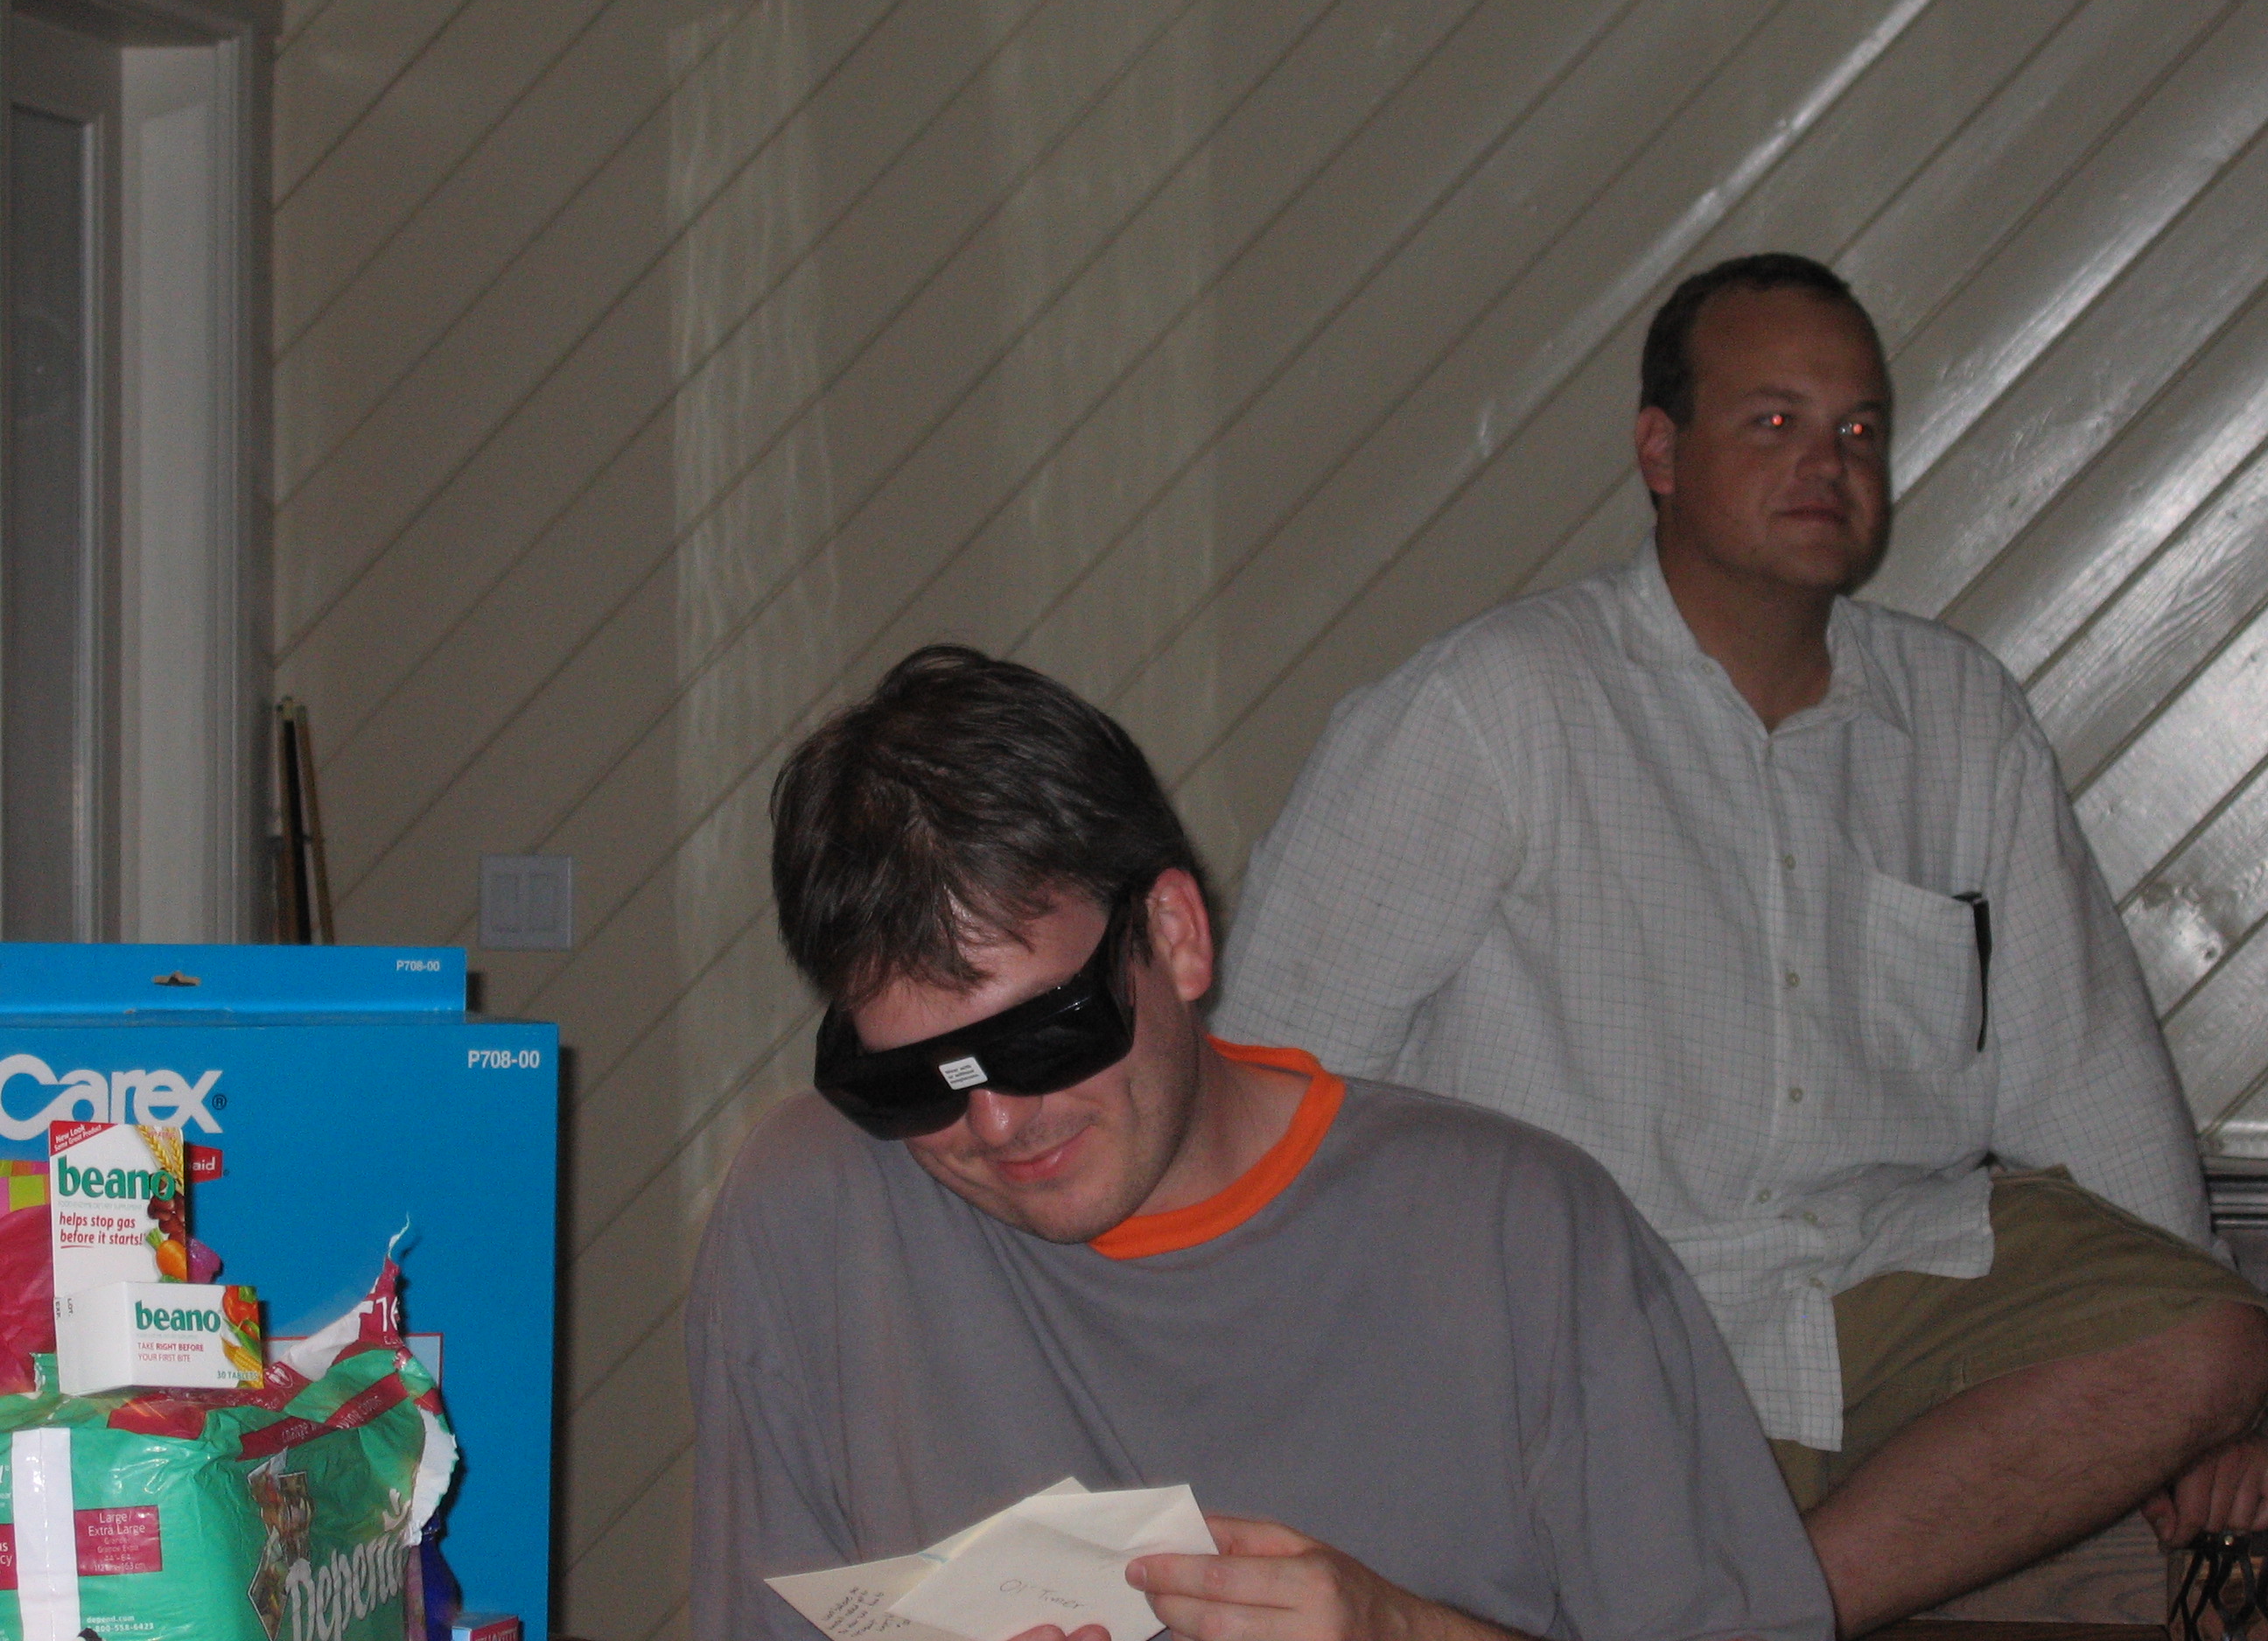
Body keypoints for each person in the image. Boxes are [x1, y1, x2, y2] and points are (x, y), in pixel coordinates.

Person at [1214, 253, 2268, 1633]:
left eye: (1859, 428)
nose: (1827, 462)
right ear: (1660, 453)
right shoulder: (1495, 705)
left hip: (1883, 1292)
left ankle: (1750, 1618)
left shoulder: (1959, 716)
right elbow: (1275, 1069)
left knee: (2215, 1342)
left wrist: (2224, 1411)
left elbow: (2086, 1075)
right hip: (1591, 1328)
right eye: (1773, 421)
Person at [689, 646, 1832, 1641]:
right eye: (912, 1080)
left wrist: (1407, 1634)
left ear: (1174, 934)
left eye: (1039, 1037)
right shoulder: (813, 1208)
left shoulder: (1519, 1235)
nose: (994, 1122)